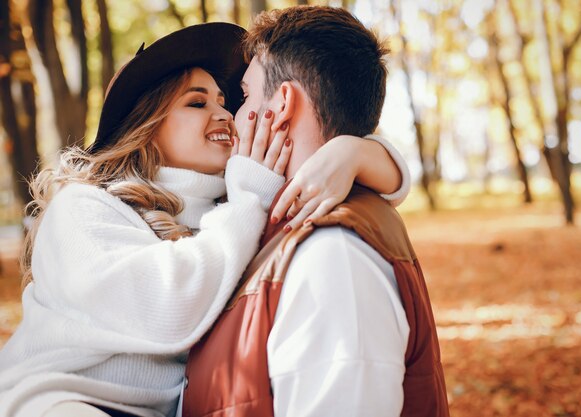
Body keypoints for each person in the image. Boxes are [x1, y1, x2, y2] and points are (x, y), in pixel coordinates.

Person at [0, 22, 411, 417]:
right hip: (61, 402)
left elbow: (335, 135)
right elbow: (169, 308)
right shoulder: (85, 208)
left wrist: (353, 152)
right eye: (197, 103)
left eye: (224, 101)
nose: (225, 114)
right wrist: (249, 199)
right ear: (145, 125)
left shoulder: (232, 208)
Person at [183, 6, 450, 417]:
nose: (235, 116)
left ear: (283, 103)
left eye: (245, 94)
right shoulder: (282, 227)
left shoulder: (333, 258)